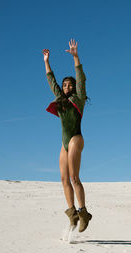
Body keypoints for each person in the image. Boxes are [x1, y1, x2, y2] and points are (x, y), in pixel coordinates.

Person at [42, 39, 92, 232]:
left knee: (74, 177)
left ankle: (83, 213)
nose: (67, 87)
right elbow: (51, 82)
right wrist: (46, 61)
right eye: (65, 85)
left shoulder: (78, 99)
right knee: (63, 180)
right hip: (64, 143)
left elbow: (81, 78)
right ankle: (72, 214)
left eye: (69, 84)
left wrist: (76, 57)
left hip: (76, 139)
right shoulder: (60, 100)